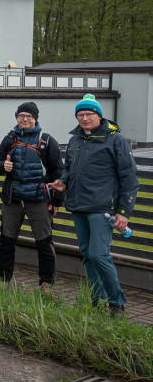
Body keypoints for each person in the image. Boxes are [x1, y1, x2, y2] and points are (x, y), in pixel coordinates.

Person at [50, 94, 138, 316]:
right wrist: (64, 182)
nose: (85, 118)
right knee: (88, 256)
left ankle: (117, 302)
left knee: (100, 255)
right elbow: (69, 168)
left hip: (103, 209)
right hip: (79, 206)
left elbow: (129, 179)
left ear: (99, 115)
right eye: (80, 114)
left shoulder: (116, 140)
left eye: (89, 114)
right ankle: (97, 300)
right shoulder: (75, 140)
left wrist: (124, 212)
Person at [0, 102, 62, 290]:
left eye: (28, 116)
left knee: (44, 243)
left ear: (35, 118)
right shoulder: (10, 139)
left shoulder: (47, 141)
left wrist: (56, 201)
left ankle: (46, 283)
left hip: (38, 199)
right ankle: (3, 280)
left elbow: (58, 173)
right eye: (21, 116)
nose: (24, 119)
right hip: (13, 199)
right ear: (16, 117)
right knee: (6, 241)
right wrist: (2, 167)